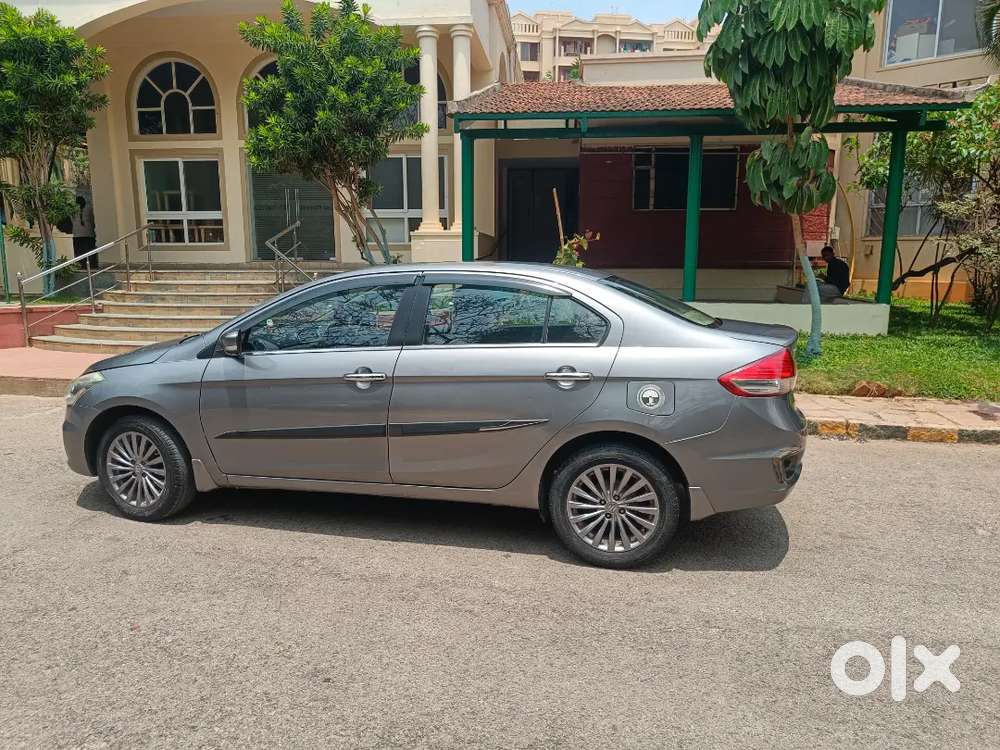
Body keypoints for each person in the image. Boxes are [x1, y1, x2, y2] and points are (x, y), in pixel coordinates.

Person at [72, 193, 97, 270]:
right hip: (89, 234)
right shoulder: (89, 209)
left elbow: (71, 221)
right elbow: (93, 220)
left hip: (77, 234)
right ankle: (91, 265)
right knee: (90, 251)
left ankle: (81, 266)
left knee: (79, 252)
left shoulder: (73, 210)